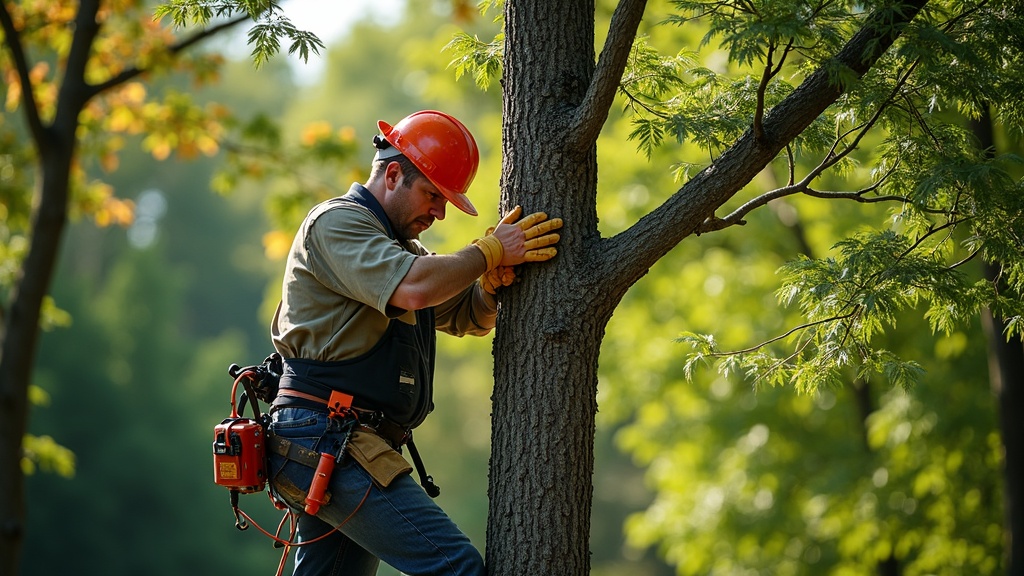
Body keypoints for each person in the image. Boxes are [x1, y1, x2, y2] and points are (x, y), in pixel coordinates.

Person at [266, 110, 562, 576]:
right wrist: (489, 251)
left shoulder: (404, 252)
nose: (439, 212)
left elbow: (464, 314)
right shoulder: (337, 224)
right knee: (455, 567)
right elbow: (416, 289)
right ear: (391, 174)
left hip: (343, 440)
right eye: (432, 195)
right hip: (325, 435)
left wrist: (488, 286)